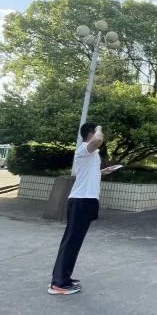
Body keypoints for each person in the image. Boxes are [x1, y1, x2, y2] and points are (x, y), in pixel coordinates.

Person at [48, 123, 118, 295]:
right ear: (90, 134)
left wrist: (103, 171)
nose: (100, 134)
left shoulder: (92, 153)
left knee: (74, 242)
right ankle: (58, 284)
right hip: (81, 201)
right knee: (71, 242)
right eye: (96, 131)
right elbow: (98, 140)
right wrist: (99, 128)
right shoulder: (84, 148)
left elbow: (88, 173)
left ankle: (64, 277)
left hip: (87, 201)